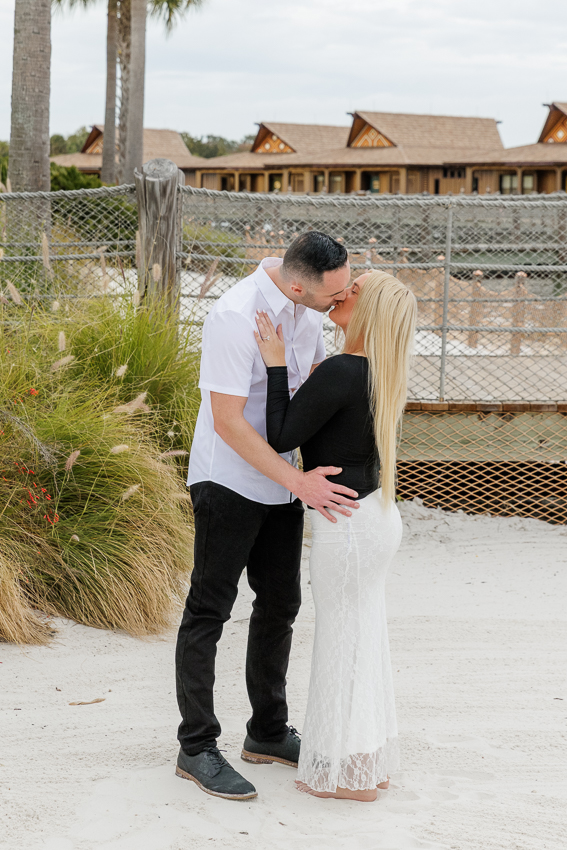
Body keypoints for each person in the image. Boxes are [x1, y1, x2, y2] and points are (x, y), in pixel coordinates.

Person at [175, 232, 360, 801]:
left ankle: (268, 732)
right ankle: (197, 747)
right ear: (300, 284)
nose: (341, 299)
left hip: (283, 482)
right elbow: (228, 421)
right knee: (210, 607)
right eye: (335, 294)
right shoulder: (234, 315)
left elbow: (302, 399)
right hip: (228, 479)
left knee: (281, 603)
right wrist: (297, 481)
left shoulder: (307, 313)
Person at [254, 270, 417, 802]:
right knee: (363, 638)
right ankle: (366, 762)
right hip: (373, 518)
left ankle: (348, 777)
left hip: (347, 528)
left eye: (356, 289)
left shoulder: (345, 369)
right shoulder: (378, 372)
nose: (344, 292)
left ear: (368, 311)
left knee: (342, 642)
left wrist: (276, 364)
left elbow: (280, 434)